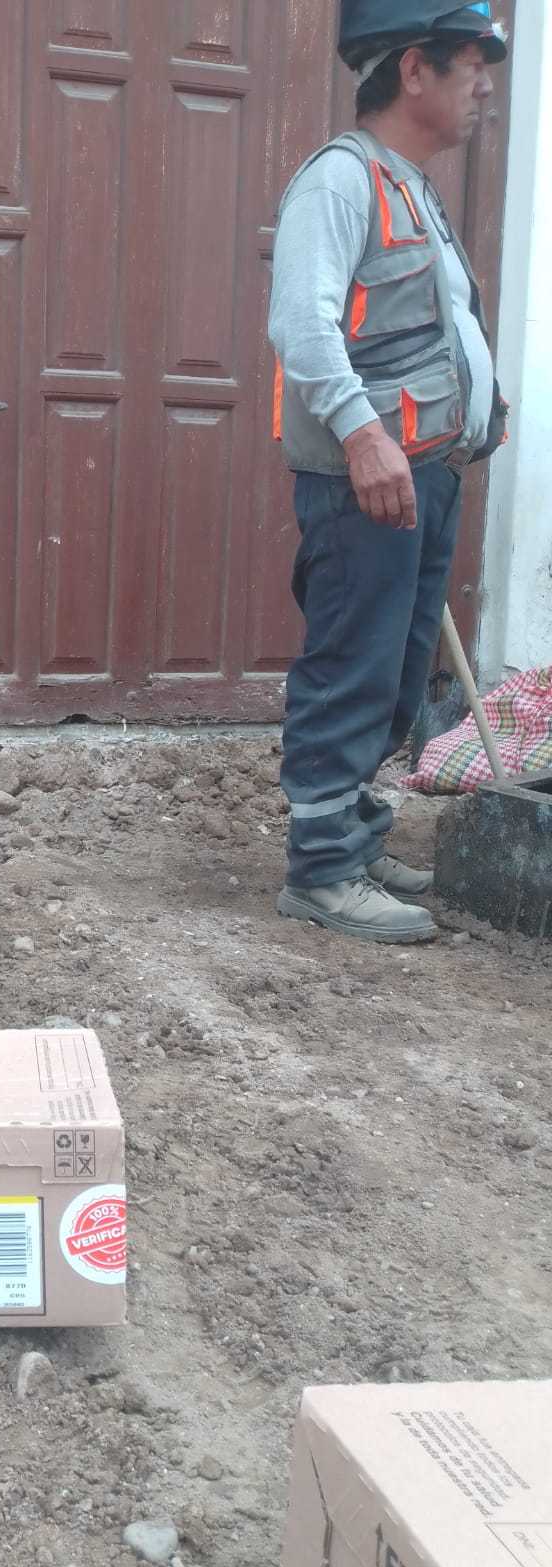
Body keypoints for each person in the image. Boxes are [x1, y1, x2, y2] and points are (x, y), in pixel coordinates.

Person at [268, 2, 510, 944]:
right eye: (471, 64)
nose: (485, 86)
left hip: (421, 478)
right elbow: (303, 324)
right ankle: (321, 871)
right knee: (352, 666)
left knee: (397, 676)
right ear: (414, 70)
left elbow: (425, 326)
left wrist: (481, 407)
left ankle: (354, 836)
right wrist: (365, 437)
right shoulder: (341, 181)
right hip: (366, 479)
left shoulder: (411, 188)